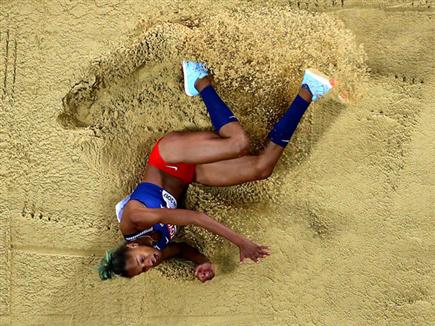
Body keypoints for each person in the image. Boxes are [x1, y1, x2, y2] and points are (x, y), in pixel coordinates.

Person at [98, 61, 334, 282]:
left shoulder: (134, 221)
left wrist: (241, 243)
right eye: (145, 269)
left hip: (169, 157)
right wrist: (203, 263)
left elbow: (195, 218)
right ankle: (308, 90)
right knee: (262, 168)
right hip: (188, 174)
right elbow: (181, 249)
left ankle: (198, 78)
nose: (150, 262)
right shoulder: (156, 250)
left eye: (142, 259)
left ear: (131, 246)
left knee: (238, 143)